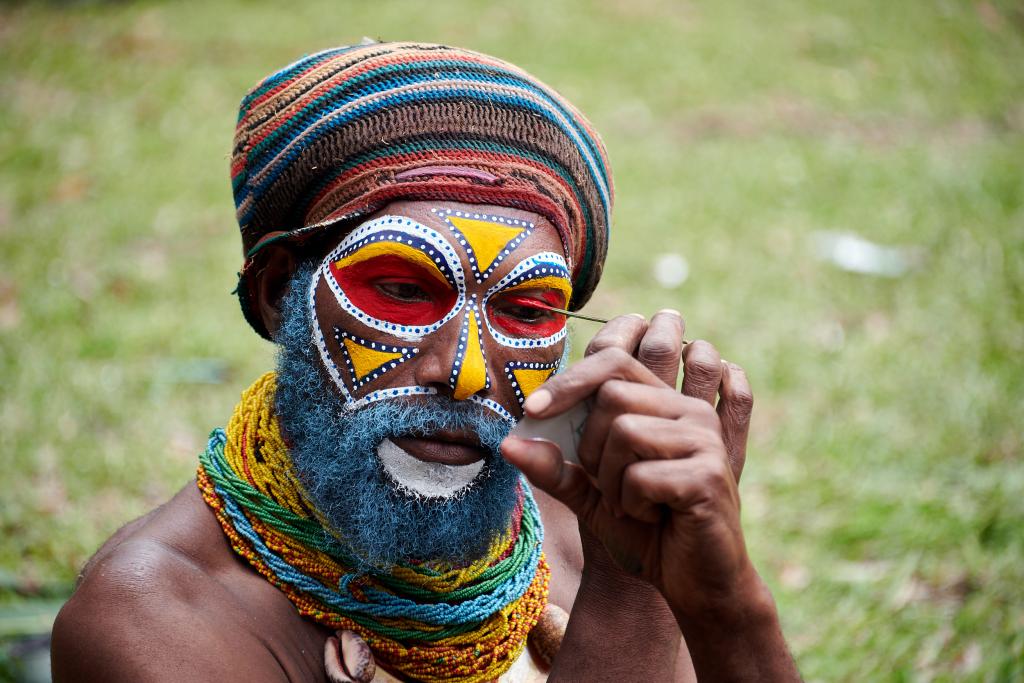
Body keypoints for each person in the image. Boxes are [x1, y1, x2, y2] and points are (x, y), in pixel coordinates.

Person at [50, 42, 800, 682]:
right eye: (404, 291)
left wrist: (722, 595)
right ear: (282, 293)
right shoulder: (156, 621)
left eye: (526, 310)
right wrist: (634, 599)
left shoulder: (585, 517)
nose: (466, 370)